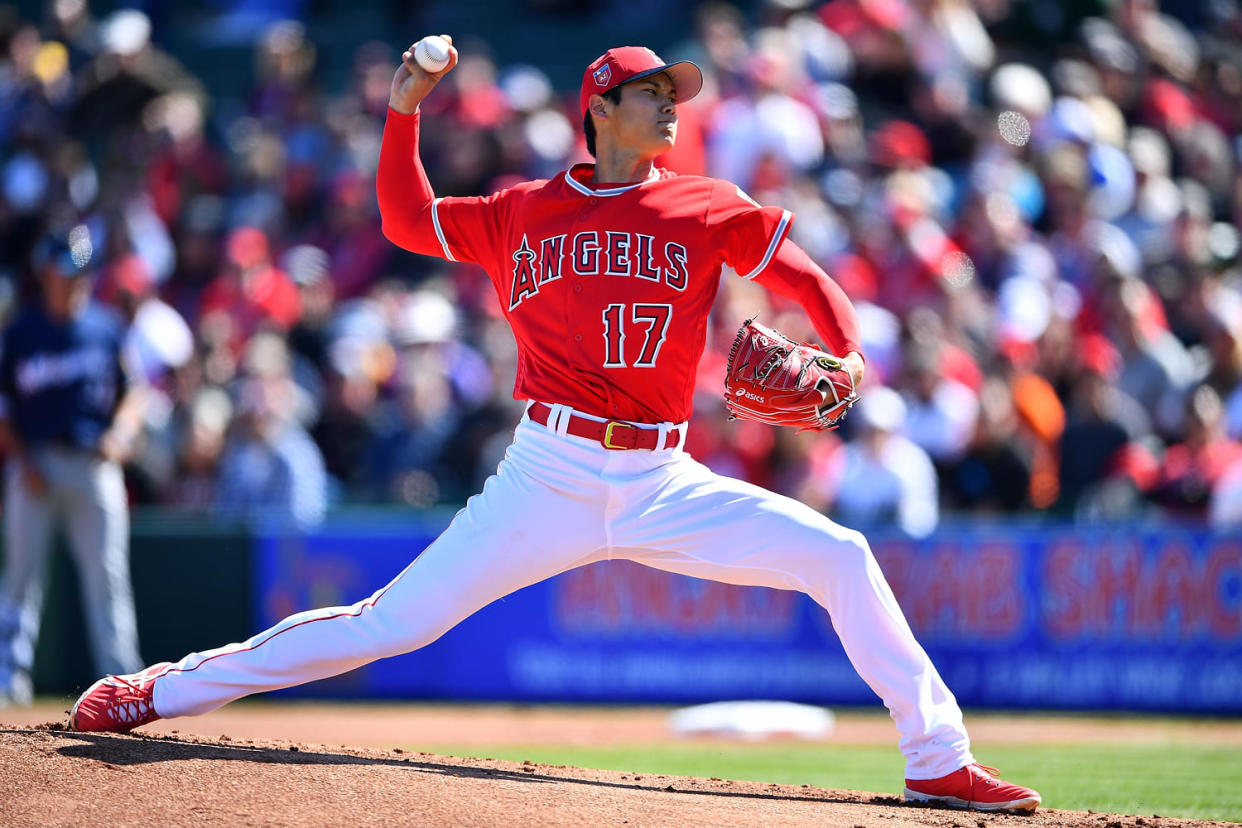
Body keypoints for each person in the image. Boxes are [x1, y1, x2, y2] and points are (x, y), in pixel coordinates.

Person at [70, 38, 1041, 814]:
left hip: (665, 480)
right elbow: (409, 223)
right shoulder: (525, 209)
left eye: (675, 92)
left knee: (840, 556)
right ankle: (161, 692)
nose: (671, 106)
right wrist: (404, 110)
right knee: (389, 626)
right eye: (650, 92)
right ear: (600, 109)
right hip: (549, 472)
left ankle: (937, 760)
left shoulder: (705, 204)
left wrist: (848, 348)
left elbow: (801, 277)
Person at [0, 228, 146, 707]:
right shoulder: (21, 333)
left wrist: (122, 432)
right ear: (46, 275)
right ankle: (8, 682)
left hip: (92, 463)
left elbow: (135, 392)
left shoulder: (106, 327)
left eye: (81, 273)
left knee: (107, 576)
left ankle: (122, 686)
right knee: (21, 578)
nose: (74, 282)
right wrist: (23, 459)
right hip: (35, 464)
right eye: (66, 273)